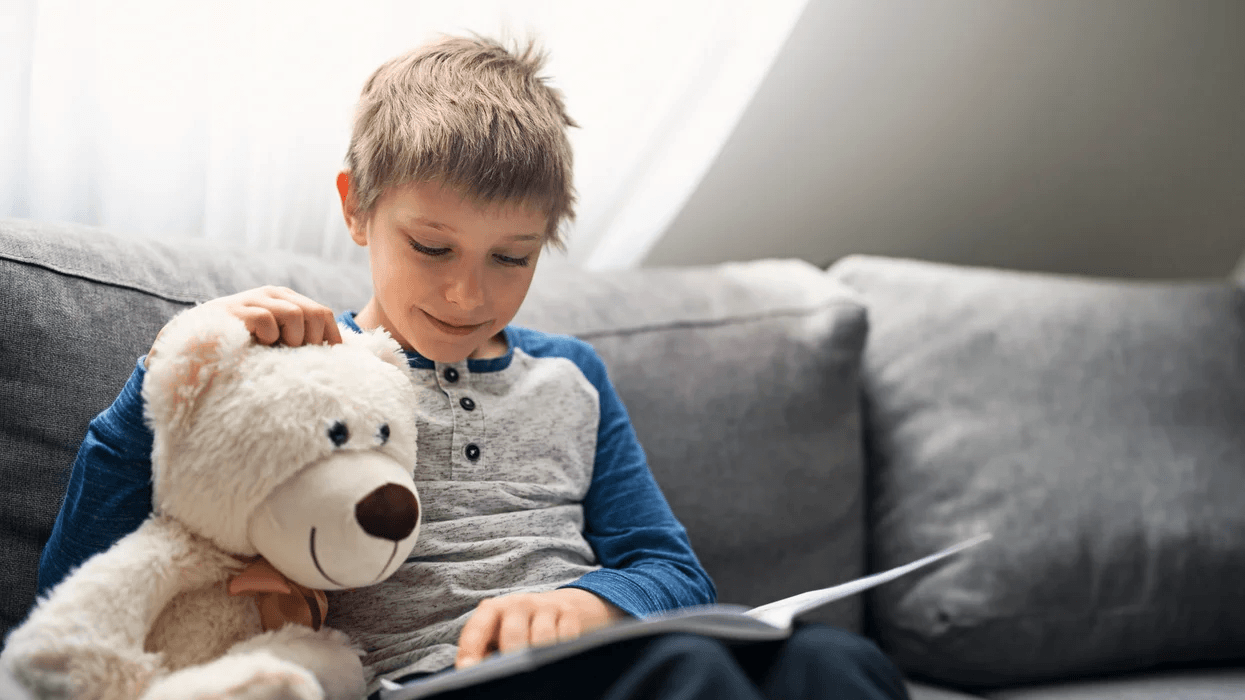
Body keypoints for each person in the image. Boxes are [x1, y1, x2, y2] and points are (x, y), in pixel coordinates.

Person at [37, 34, 910, 700]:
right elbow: (81, 586)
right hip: (429, 682)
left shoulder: (571, 378)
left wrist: (593, 603)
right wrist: (162, 377)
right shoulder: (295, 374)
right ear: (356, 208)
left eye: (512, 257)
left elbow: (671, 568)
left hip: (603, 654)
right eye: (431, 246)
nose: (466, 293)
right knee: (687, 671)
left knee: (836, 659)